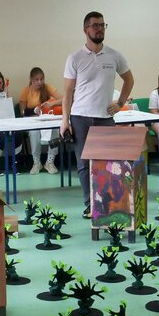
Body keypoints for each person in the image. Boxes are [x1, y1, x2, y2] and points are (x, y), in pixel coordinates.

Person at [60, 11, 134, 218]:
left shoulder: (114, 55)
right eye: (95, 25)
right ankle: (89, 204)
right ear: (86, 30)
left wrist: (119, 103)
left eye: (102, 25)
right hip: (80, 116)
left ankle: (106, 202)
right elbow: (67, 93)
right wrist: (64, 121)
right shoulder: (74, 58)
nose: (99, 29)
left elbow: (129, 80)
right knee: (84, 163)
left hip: (105, 117)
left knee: (108, 163)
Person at [18, 67, 63, 174]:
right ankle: (36, 162)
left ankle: (50, 161)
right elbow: (22, 111)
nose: (39, 82)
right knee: (34, 132)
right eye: (36, 80)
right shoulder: (26, 90)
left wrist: (51, 104)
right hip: (32, 120)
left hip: (46, 119)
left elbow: (63, 99)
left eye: (41, 79)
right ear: (31, 80)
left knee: (55, 130)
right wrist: (34, 110)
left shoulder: (47, 87)